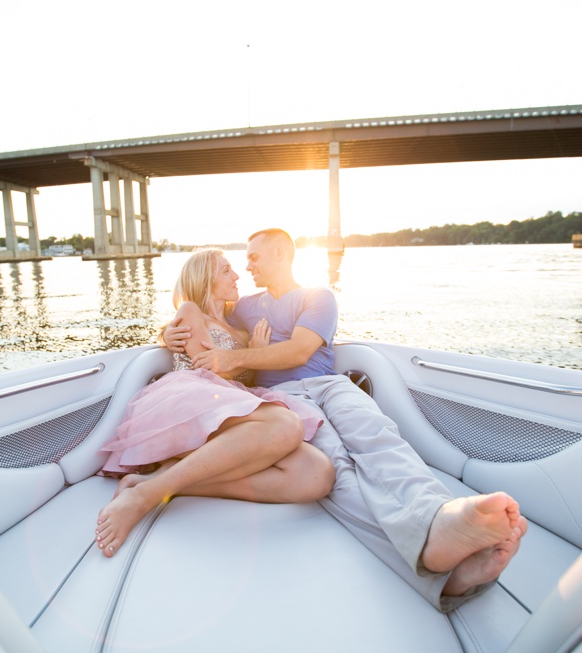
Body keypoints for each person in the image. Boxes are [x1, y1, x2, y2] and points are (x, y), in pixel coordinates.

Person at [163, 229, 527, 612]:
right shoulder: (243, 306)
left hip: (327, 384)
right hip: (280, 398)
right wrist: (170, 332)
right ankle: (442, 569)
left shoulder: (317, 297)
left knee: (378, 438)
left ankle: (438, 514)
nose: (245, 267)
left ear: (280, 253)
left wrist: (237, 359)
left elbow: (300, 351)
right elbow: (204, 314)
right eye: (241, 262)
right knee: (338, 469)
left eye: (253, 257)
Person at [94, 248, 335, 558]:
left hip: (227, 404)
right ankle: (147, 496)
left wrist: (253, 356)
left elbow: (235, 374)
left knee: (317, 475)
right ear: (205, 277)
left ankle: (153, 482)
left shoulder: (243, 329)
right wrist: (247, 355)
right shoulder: (192, 310)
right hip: (189, 399)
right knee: (286, 424)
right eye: (226, 270)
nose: (237, 276)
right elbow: (204, 364)